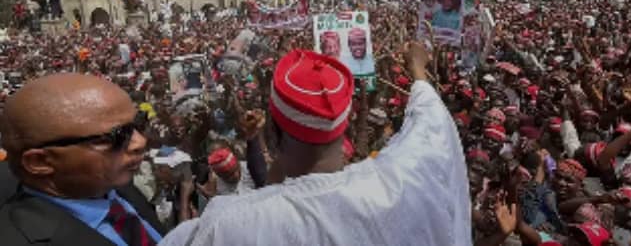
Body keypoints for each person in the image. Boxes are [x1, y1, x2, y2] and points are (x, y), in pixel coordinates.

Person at [160, 44, 471, 245]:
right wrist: (418, 72)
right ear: (345, 126)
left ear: (274, 133)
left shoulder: (227, 228)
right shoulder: (397, 183)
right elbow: (432, 130)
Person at [0, 73, 165, 246]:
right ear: (40, 162)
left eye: (137, 124)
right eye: (116, 136)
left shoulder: (114, 187)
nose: (139, 142)